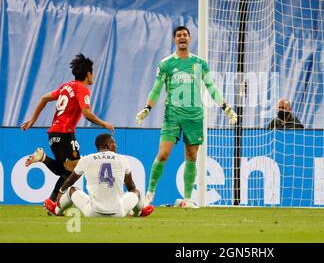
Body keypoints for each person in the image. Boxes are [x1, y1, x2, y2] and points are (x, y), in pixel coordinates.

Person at [135, 26, 237, 208]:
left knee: (191, 156)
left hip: (194, 116)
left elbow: (211, 87)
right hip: (172, 115)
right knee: (163, 154)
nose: (182, 37)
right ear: (175, 39)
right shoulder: (166, 64)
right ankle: (150, 194)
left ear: (190, 38)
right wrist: (147, 108)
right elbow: (157, 88)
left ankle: (187, 199)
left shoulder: (199, 63)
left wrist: (226, 107)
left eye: (185, 35)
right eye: (178, 35)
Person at [21, 53, 115, 202]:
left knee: (67, 170)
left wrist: (33, 119)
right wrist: (104, 124)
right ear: (88, 74)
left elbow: (44, 98)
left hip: (53, 134)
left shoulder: (66, 86)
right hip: (65, 133)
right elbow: (86, 113)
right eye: (93, 73)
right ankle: (53, 202)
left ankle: (43, 159)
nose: (93, 76)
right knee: (73, 171)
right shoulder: (82, 89)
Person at [44, 133, 154, 217]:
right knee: (136, 192)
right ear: (108, 144)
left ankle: (56, 210)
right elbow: (131, 187)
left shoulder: (87, 159)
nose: (116, 145)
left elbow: (69, 181)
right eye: (114, 142)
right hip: (119, 212)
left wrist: (60, 192)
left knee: (71, 189)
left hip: (92, 212)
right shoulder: (122, 159)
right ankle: (139, 212)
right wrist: (131, 203)